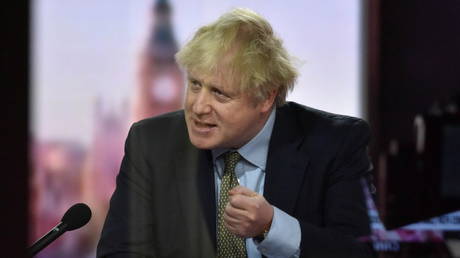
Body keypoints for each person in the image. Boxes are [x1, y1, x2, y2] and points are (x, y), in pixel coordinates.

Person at [97, 8, 375, 258]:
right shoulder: (151, 143)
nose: (198, 106)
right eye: (195, 85)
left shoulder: (335, 143)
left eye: (219, 93)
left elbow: (359, 252)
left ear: (265, 97)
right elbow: (119, 252)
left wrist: (272, 227)